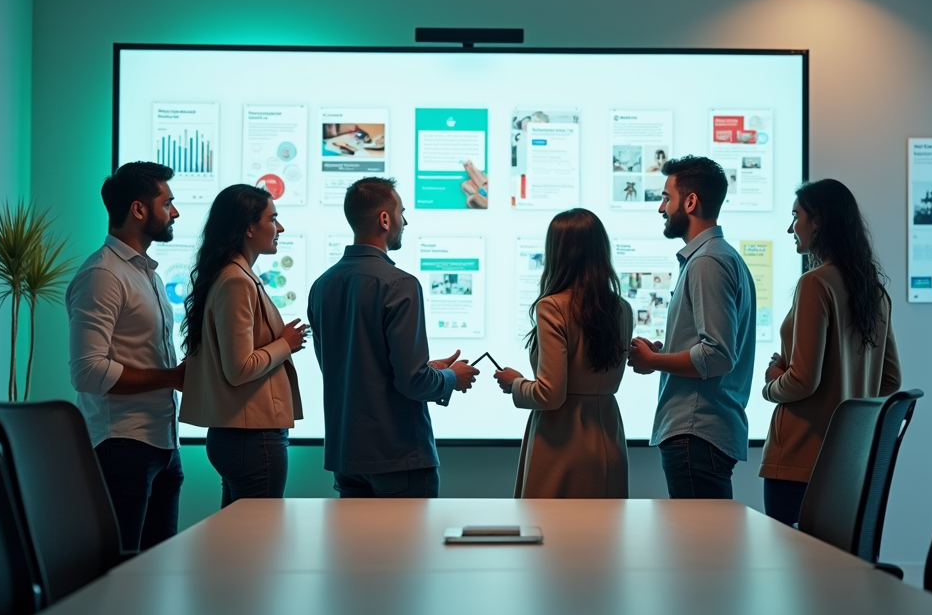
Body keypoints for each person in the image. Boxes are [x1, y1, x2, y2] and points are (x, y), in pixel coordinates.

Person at [308, 177, 478, 498]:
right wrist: (450, 378)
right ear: (385, 219)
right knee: (409, 550)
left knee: (357, 550)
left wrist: (430, 368)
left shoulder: (322, 285)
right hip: (399, 457)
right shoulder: (400, 284)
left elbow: (352, 369)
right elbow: (412, 382)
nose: (405, 220)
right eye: (401, 212)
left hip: (347, 457)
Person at [760, 179, 902, 525]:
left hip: (799, 459)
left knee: (791, 570)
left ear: (817, 221)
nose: (791, 227)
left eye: (796, 217)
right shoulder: (873, 291)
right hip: (849, 462)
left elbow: (803, 381)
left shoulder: (815, 283)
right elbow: (891, 381)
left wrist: (771, 383)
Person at [66, 161, 185, 552]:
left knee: (156, 573)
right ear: (138, 210)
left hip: (163, 445)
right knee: (120, 577)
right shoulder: (103, 275)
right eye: (167, 203)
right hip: (123, 447)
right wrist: (172, 377)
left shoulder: (146, 274)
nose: (175, 212)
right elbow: (88, 371)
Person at [627, 155, 756, 499]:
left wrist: (653, 362)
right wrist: (664, 354)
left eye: (666, 198)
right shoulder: (719, 257)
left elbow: (716, 356)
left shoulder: (708, 262)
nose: (661, 208)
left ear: (691, 201)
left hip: (696, 432)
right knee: (702, 547)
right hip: (700, 433)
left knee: (700, 550)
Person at [179, 184, 307, 508]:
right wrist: (284, 345)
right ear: (249, 227)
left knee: (238, 545)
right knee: (257, 547)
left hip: (241, 435)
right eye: (272, 219)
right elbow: (239, 369)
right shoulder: (236, 280)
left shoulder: (232, 274)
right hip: (253, 438)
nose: (279, 228)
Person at [493, 209, 634, 498]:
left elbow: (550, 394)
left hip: (562, 444)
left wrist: (515, 384)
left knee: (553, 539)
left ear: (557, 252)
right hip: (609, 437)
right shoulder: (623, 308)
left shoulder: (552, 306)